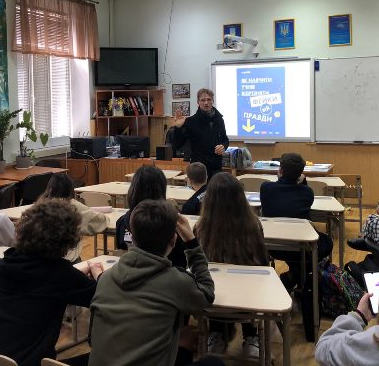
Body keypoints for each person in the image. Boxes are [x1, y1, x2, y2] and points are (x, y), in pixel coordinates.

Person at [88, 199, 217, 366]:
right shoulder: (175, 281)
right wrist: (191, 242)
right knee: (213, 363)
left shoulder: (105, 278)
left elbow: (94, 339)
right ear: (173, 241)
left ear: (132, 238)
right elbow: (207, 296)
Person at [0, 198, 103, 366]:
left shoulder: (9, 263)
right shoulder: (60, 275)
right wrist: (99, 276)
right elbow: (104, 297)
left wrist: (75, 275)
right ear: (67, 238)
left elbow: (39, 285)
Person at [195, 172, 269, 358]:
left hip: (214, 295)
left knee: (212, 285)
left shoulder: (201, 227)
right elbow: (263, 262)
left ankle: (217, 333)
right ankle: (250, 335)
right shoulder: (253, 225)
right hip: (246, 297)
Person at [260, 152, 332, 288]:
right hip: (300, 246)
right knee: (327, 242)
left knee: (298, 252)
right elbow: (303, 191)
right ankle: (296, 275)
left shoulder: (265, 189)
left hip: (272, 245)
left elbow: (279, 190)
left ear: (280, 171)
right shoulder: (307, 192)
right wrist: (303, 181)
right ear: (300, 174)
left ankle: (294, 274)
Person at [115, 165, 186, 268]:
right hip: (166, 276)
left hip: (130, 274)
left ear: (133, 189)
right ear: (161, 190)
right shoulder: (171, 225)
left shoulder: (121, 222)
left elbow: (121, 255)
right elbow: (181, 264)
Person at [40, 172, 108, 261]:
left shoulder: (40, 205)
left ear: (49, 188)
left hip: (42, 258)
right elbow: (100, 221)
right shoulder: (73, 205)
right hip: (68, 259)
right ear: (70, 189)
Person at [172, 88, 229, 178]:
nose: (206, 103)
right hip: (198, 169)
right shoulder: (191, 121)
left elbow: (225, 139)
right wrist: (178, 128)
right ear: (198, 102)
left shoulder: (219, 119)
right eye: (203, 100)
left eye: (209, 99)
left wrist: (223, 146)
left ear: (213, 101)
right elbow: (177, 144)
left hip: (216, 168)